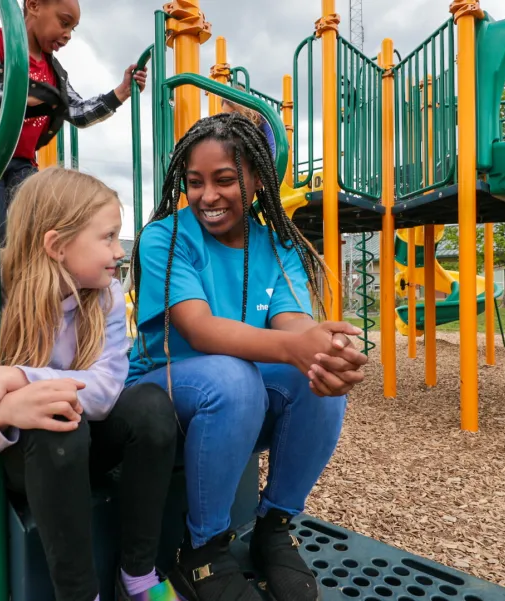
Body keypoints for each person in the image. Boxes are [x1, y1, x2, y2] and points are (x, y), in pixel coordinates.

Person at [125, 113, 368, 601]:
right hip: (158, 394)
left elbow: (293, 323)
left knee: (311, 372)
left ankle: (273, 527)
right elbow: (199, 328)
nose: (208, 196)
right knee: (234, 378)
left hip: (235, 401)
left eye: (225, 180)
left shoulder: (277, 245)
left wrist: (325, 346)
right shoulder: (164, 238)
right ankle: (204, 549)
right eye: (195, 183)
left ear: (256, 181)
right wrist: (294, 347)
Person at [0, 168, 182, 601]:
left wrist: (11, 377)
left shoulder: (105, 297)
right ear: (57, 245)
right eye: (108, 237)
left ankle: (137, 575)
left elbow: (105, 389)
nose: (119, 251)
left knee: (152, 406)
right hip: (27, 459)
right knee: (54, 425)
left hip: (84, 442)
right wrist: (7, 412)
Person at [0, 0, 147, 252]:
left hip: (21, 160)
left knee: (38, 225)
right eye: (64, 22)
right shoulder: (1, 42)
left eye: (72, 29)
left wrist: (120, 93)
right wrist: (18, 96)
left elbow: (78, 111)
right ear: (34, 5)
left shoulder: (54, 72)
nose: (67, 35)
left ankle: (29, 287)